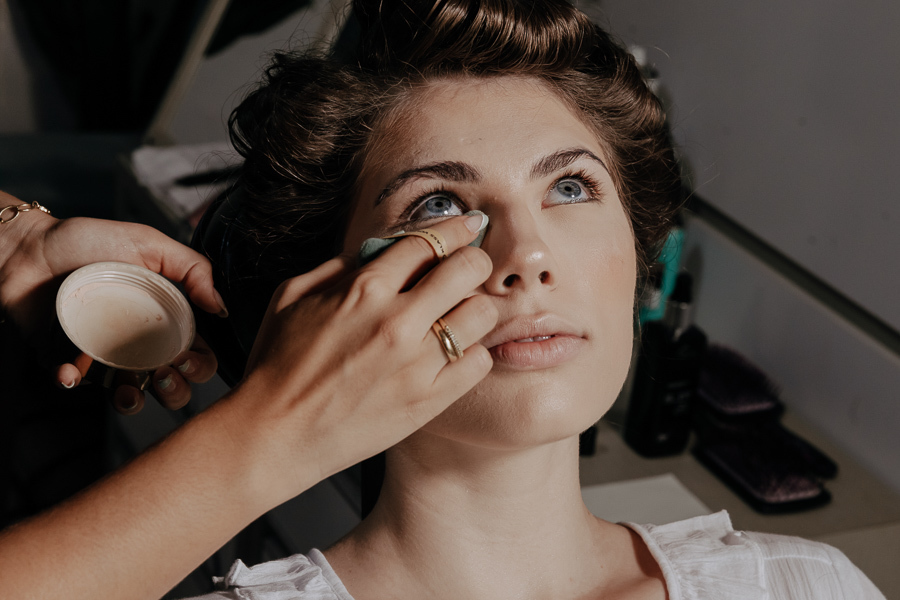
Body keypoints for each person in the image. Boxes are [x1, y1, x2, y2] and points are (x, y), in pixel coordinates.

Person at [0, 1, 884, 599]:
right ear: (332, 292)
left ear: (637, 254)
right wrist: (268, 431)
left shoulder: (809, 587)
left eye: (570, 187)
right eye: (437, 206)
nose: (526, 253)